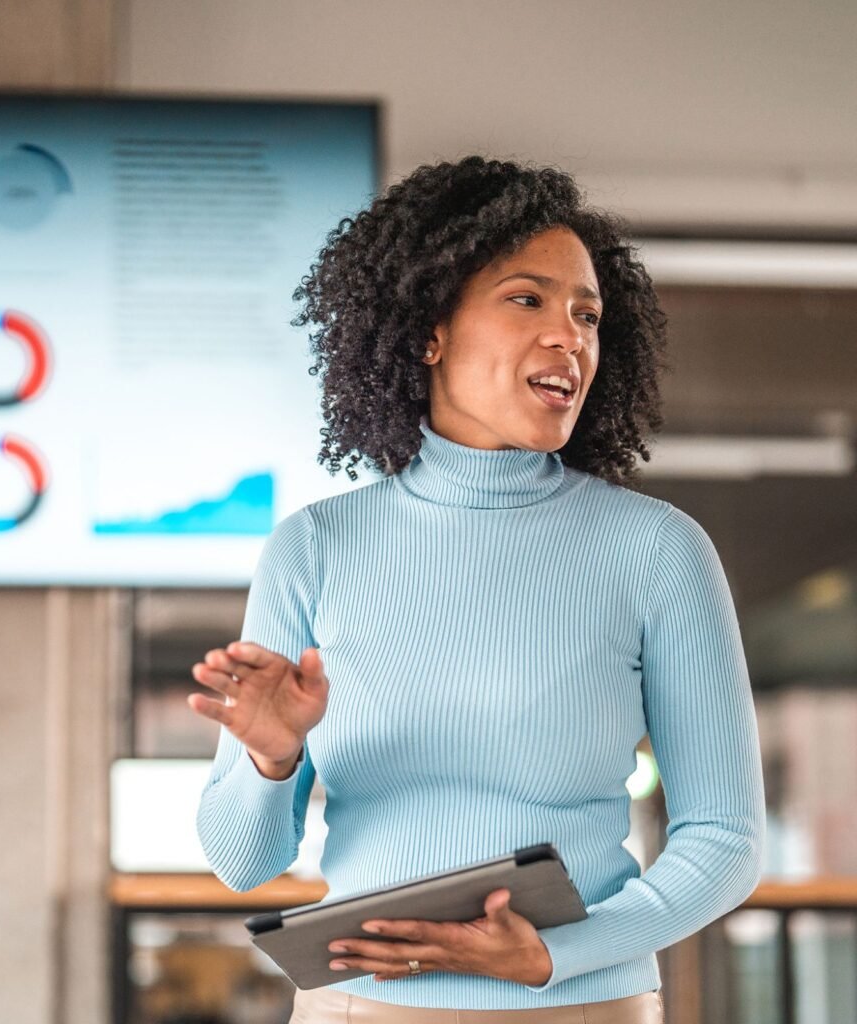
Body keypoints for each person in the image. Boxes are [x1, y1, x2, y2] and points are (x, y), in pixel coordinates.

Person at [188, 156, 766, 1023]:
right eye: (527, 299)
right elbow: (243, 860)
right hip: (361, 1011)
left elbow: (726, 841)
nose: (569, 336)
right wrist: (272, 759)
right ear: (430, 331)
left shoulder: (657, 552)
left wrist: (554, 957)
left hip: (582, 1007)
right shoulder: (314, 547)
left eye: (587, 314)